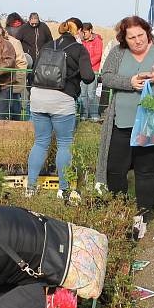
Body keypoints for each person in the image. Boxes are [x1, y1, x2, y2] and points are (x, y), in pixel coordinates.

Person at [95, 16, 154, 229]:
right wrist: (129, 82)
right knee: (115, 168)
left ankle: (144, 213)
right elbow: (106, 76)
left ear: (148, 32)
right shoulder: (118, 53)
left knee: (147, 170)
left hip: (152, 122)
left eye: (141, 35)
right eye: (132, 37)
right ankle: (120, 207)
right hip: (122, 122)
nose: (137, 41)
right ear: (124, 39)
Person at [28, 21, 95, 199]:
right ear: (79, 31)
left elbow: (32, 72)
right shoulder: (79, 49)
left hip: (38, 97)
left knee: (40, 142)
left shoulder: (48, 45)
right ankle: (62, 189)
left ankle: (31, 187)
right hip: (62, 99)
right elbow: (89, 77)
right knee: (64, 143)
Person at [3, 26, 29, 120]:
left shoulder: (15, 43)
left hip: (12, 85)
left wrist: (16, 81)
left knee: (14, 110)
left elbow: (22, 63)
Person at [80, 23, 103, 121]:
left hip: (93, 70)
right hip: (82, 71)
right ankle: (84, 114)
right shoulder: (81, 41)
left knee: (91, 93)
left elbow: (98, 55)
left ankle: (94, 115)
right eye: (82, 32)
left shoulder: (97, 41)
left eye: (85, 32)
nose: (83, 34)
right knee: (82, 93)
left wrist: (87, 64)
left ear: (90, 31)